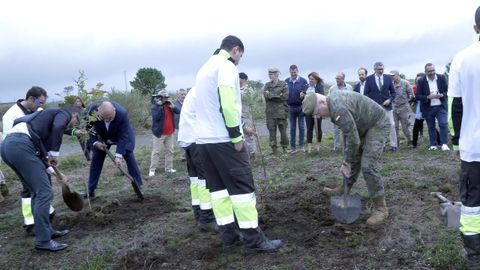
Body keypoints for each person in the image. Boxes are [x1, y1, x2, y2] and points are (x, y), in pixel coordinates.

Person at [193, 35, 282, 253]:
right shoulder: (226, 66)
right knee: (242, 191)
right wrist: (236, 136)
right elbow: (228, 103)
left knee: (218, 192)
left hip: (204, 143)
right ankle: (254, 241)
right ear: (235, 50)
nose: (239, 59)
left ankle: (229, 238)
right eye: (240, 55)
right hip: (224, 141)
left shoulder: (204, 68)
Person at [302, 91, 390, 225]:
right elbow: (348, 135)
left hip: (377, 124)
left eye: (317, 112)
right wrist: (347, 159)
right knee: (352, 156)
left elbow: (354, 140)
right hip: (362, 125)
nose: (318, 116)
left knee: (368, 165)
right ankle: (345, 188)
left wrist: (347, 162)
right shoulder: (332, 103)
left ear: (322, 102)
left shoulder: (338, 108)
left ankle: (381, 208)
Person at [1, 106, 80, 251]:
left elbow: (41, 155)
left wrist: (57, 174)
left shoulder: (41, 125)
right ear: (73, 115)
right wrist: (55, 153)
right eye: (76, 121)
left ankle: (47, 231)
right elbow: (58, 127)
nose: (74, 125)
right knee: (44, 193)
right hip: (20, 146)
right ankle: (43, 241)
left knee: (36, 193)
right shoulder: (64, 112)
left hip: (10, 147)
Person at [448, 6, 480, 268]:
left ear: (475, 28)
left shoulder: (462, 59)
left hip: (474, 147)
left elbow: (455, 107)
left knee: (472, 205)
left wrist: (457, 141)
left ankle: (474, 256)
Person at [2, 86, 53, 233]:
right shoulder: (11, 115)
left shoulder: (39, 111)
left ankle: (46, 214)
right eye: (40, 102)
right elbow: (8, 141)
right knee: (29, 188)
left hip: (38, 154)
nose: (41, 106)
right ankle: (30, 221)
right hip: (22, 156)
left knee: (44, 185)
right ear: (31, 98)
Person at [177, 86, 218, 233]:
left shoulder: (195, 90)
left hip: (189, 139)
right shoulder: (205, 91)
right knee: (204, 179)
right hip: (198, 139)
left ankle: (199, 213)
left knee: (195, 180)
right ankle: (207, 217)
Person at [83, 101, 143, 198]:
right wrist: (95, 143)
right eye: (103, 118)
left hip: (121, 134)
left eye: (109, 118)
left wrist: (118, 156)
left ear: (114, 110)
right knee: (96, 160)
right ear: (98, 112)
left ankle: (138, 185)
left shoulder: (122, 113)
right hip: (102, 136)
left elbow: (123, 136)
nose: (106, 120)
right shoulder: (91, 112)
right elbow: (88, 129)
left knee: (129, 156)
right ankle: (91, 190)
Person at [416, 63, 450, 151]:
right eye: (429, 71)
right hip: (428, 107)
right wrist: (428, 97)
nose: (432, 72)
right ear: (425, 72)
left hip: (441, 106)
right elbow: (418, 96)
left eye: (433, 70)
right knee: (431, 126)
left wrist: (442, 95)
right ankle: (433, 144)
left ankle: (444, 144)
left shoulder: (442, 78)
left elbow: (448, 91)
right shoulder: (421, 81)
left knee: (443, 124)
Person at [364, 62, 397, 151]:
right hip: (375, 108)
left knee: (391, 125)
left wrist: (389, 100)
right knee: (379, 126)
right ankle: (382, 146)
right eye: (379, 69)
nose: (381, 71)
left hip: (387, 106)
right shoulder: (369, 79)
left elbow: (393, 93)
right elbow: (366, 94)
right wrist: (372, 104)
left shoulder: (388, 78)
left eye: (382, 69)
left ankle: (394, 145)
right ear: (375, 69)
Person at [148, 89, 180, 176]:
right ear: (159, 98)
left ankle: (168, 168)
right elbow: (156, 118)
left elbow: (178, 111)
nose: (165, 99)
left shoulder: (170, 105)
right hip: (159, 134)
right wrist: (160, 106)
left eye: (166, 97)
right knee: (156, 152)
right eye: (163, 97)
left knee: (170, 151)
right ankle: (152, 169)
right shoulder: (155, 107)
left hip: (170, 133)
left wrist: (173, 107)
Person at [264, 68, 289, 155]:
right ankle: (274, 150)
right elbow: (266, 96)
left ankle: (285, 148)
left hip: (281, 112)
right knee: (272, 132)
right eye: (269, 74)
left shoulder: (283, 84)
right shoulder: (267, 85)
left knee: (283, 132)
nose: (270, 76)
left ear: (277, 74)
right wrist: (278, 96)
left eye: (272, 74)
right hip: (270, 113)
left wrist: (272, 96)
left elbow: (285, 97)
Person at [285, 64, 308, 153]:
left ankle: (301, 146)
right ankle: (293, 147)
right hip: (290, 107)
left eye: (294, 72)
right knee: (292, 128)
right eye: (292, 72)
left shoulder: (303, 81)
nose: (293, 74)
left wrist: (303, 94)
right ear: (289, 72)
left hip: (301, 107)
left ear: (297, 71)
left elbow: (306, 92)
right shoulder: (286, 81)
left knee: (302, 127)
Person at [328, 72, 353, 151]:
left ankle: (347, 146)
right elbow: (328, 99)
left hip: (347, 111)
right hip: (337, 112)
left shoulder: (349, 87)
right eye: (336, 78)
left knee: (348, 129)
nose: (337, 80)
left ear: (343, 79)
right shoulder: (332, 88)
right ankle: (336, 147)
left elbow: (353, 98)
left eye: (338, 79)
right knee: (336, 129)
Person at [390, 70, 414, 147]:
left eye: (393, 75)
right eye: (391, 76)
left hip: (404, 107)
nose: (392, 77)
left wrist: (407, 103)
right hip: (394, 107)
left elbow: (411, 95)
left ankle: (410, 140)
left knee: (405, 126)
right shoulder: (390, 84)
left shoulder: (405, 83)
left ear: (398, 75)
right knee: (394, 126)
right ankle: (396, 143)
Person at [303, 72, 324, 153]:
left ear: (316, 79)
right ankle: (309, 146)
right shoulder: (305, 87)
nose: (310, 80)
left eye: (312, 79)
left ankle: (318, 144)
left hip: (317, 111)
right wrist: (301, 96)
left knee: (318, 128)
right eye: (309, 79)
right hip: (308, 111)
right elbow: (302, 100)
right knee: (309, 128)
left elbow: (322, 98)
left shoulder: (319, 87)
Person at [239, 72, 257, 159]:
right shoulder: (235, 88)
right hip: (239, 114)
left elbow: (251, 99)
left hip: (247, 114)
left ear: (244, 79)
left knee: (249, 133)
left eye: (239, 78)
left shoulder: (248, 89)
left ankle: (252, 152)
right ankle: (246, 153)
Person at [71, 96, 91, 161]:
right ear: (74, 103)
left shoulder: (84, 110)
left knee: (89, 142)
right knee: (82, 143)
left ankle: (89, 155)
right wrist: (77, 129)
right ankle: (88, 158)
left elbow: (87, 119)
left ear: (81, 102)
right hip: (78, 129)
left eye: (79, 101)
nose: (78, 103)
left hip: (86, 128)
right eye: (76, 102)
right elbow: (73, 121)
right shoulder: (73, 111)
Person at [173, 88, 188, 161]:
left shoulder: (189, 102)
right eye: (182, 94)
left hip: (188, 125)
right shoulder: (174, 103)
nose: (183, 96)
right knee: (180, 141)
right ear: (178, 95)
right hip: (177, 126)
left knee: (188, 140)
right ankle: (183, 156)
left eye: (185, 94)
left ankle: (188, 155)